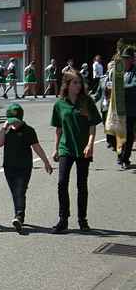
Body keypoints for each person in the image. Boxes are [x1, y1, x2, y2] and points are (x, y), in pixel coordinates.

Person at [50, 71, 102, 234]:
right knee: (62, 183)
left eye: (80, 83)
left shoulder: (87, 102)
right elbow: (58, 129)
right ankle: (63, 219)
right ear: (67, 84)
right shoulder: (59, 104)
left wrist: (90, 145)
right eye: (75, 83)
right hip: (66, 147)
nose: (78, 86)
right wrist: (56, 148)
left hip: (83, 149)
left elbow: (93, 126)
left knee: (81, 184)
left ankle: (82, 219)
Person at [0, 104, 53, 233]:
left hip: (24, 166)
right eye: (11, 121)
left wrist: (46, 162)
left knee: (20, 190)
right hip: (9, 167)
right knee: (15, 192)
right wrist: (4, 128)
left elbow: (37, 147)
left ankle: (19, 216)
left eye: (16, 121)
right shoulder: (7, 130)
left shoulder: (29, 131)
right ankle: (19, 214)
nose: (14, 124)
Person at [118, 47, 136, 170]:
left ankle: (124, 158)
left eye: (126, 59)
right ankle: (122, 155)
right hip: (121, 110)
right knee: (119, 134)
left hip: (133, 110)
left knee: (129, 135)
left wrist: (120, 88)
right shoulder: (121, 72)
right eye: (123, 59)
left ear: (131, 60)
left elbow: (134, 86)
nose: (124, 61)